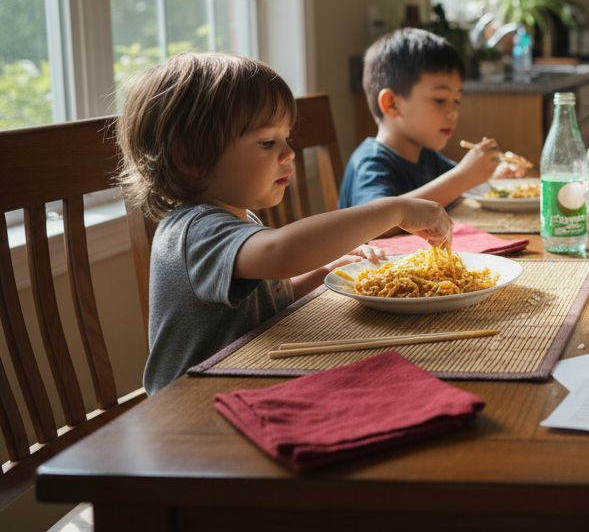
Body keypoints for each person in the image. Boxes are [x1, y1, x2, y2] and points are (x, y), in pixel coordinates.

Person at [118, 52, 453, 394]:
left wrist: (323, 273)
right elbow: (283, 252)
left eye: (286, 138)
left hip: (250, 376)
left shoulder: (236, 216)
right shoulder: (194, 231)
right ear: (189, 157)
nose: (289, 152)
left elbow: (263, 303)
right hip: (192, 404)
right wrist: (394, 209)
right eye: (267, 142)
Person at [339, 28, 525, 209]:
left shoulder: (426, 157)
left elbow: (454, 189)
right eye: (440, 100)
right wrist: (463, 177)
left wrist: (490, 175)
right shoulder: (371, 163)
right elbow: (373, 221)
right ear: (392, 104)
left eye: (457, 100)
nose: (454, 112)